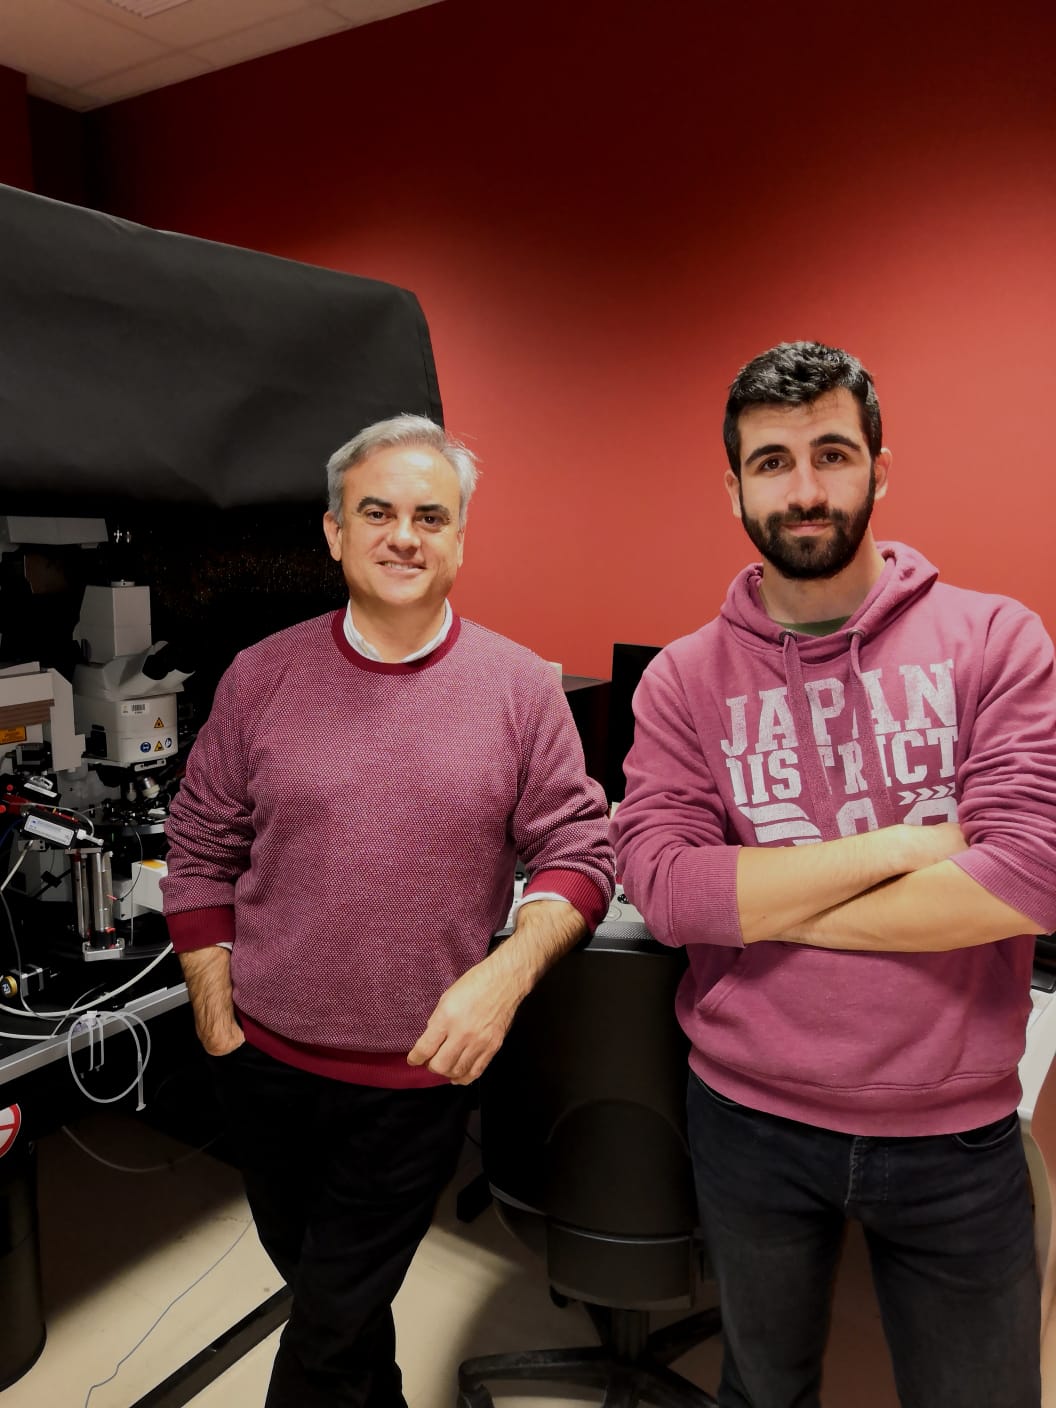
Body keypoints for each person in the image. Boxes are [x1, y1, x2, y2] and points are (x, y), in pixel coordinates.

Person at [611, 341, 1056, 1408]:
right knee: (763, 1391)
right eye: (772, 462)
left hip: (955, 1129)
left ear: (879, 469)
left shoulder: (994, 639)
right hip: (746, 1119)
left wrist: (755, 901)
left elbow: (1029, 876)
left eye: (832, 454)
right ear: (734, 488)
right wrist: (904, 846)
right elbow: (666, 893)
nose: (804, 489)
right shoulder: (682, 681)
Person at [162, 413, 614, 1408]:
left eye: (430, 517)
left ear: (460, 540)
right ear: (335, 532)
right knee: (342, 1307)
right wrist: (214, 1010)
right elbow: (197, 845)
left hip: (415, 1078)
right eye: (377, 513)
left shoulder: (519, 688)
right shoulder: (261, 675)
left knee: (325, 1331)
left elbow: (582, 852)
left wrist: (504, 975)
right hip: (262, 1066)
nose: (404, 536)